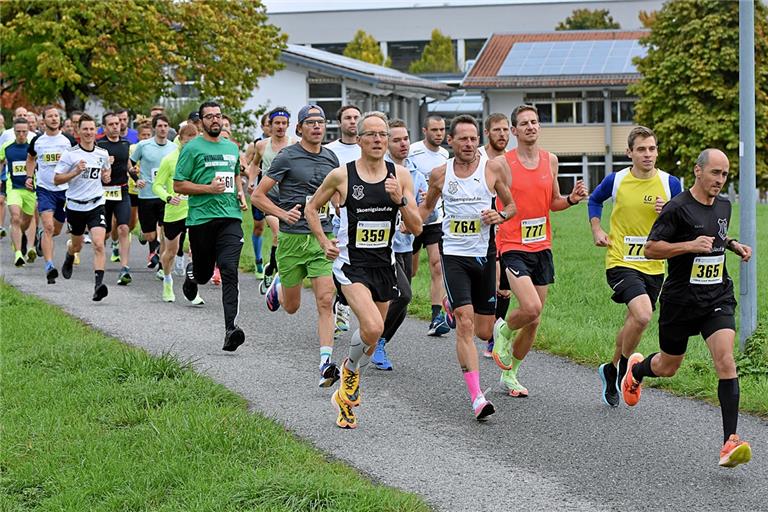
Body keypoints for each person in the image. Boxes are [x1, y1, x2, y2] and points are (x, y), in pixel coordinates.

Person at [622, 148, 753, 468]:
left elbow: (717, 236)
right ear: (698, 171)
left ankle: (729, 442)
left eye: (724, 174)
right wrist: (688, 246)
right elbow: (651, 248)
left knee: (726, 360)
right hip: (680, 301)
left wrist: (732, 245)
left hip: (716, 298)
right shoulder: (677, 208)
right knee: (669, 366)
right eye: (715, 173)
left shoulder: (723, 205)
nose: (720, 180)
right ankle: (636, 371)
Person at [305, 111, 422, 429]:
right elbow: (312, 208)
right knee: (371, 327)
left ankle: (345, 389)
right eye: (370, 134)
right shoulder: (341, 176)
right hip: (351, 266)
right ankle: (349, 370)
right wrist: (323, 241)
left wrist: (400, 200)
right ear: (358, 139)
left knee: (374, 336)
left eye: (382, 134)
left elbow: (416, 227)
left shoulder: (401, 176)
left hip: (384, 265)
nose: (377, 140)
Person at [419, 114, 516, 421]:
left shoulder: (492, 169)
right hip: (454, 255)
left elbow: (511, 206)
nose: (469, 144)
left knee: (485, 329)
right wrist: (406, 222)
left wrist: (499, 217)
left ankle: (450, 302)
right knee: (465, 324)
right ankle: (477, 397)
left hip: (485, 257)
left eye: (473, 138)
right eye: (463, 138)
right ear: (451, 141)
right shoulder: (439, 174)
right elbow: (426, 209)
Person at [492, 104, 587, 397]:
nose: (531, 126)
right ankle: (503, 331)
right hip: (512, 245)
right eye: (524, 123)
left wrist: (570, 199)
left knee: (534, 319)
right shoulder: (502, 164)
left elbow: (553, 203)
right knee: (530, 307)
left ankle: (511, 376)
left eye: (535, 122)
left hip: (541, 246)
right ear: (514, 131)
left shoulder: (551, 161)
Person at [588, 126, 682, 407]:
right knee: (642, 316)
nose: (648, 154)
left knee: (635, 320)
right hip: (620, 261)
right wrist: (596, 229)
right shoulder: (616, 180)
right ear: (629, 152)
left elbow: (685, 220)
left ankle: (611, 367)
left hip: (654, 266)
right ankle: (627, 368)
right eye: (641, 149)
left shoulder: (670, 184)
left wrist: (670, 210)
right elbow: (594, 199)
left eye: (652, 148)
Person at [252, 104, 341, 387]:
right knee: (291, 307)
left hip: (320, 238)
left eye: (321, 122)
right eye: (311, 122)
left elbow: (338, 196)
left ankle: (325, 362)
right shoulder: (287, 156)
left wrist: (341, 211)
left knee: (326, 300)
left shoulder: (331, 158)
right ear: (299, 128)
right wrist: (282, 213)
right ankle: (278, 286)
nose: (317, 126)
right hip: (292, 240)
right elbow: (258, 196)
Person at [174, 101, 248, 350]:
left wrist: (239, 192)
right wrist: (208, 189)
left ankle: (231, 329)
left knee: (229, 268)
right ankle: (192, 274)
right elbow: (179, 185)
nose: (215, 120)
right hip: (201, 219)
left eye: (218, 116)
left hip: (230, 217)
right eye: (209, 117)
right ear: (201, 122)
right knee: (204, 275)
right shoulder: (192, 148)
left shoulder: (231, 147)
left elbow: (236, 173)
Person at [370, 118, 428, 370]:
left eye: (406, 138)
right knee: (403, 295)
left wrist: (418, 212)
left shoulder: (415, 172)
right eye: (396, 139)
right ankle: (375, 340)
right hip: (383, 246)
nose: (403, 143)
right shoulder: (376, 171)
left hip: (406, 244)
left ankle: (377, 340)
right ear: (385, 143)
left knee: (400, 301)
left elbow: (426, 209)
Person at [53, 113, 112, 301]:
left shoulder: (102, 153)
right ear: (78, 131)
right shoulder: (70, 154)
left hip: (96, 204)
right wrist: (75, 171)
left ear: (96, 131)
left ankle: (98, 285)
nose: (88, 132)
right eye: (85, 129)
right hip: (75, 206)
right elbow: (57, 179)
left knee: (99, 243)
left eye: (91, 129)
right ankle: (70, 255)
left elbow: (105, 172)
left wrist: (106, 177)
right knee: (77, 245)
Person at [409, 115, 450, 336]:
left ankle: (437, 317)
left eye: (442, 130)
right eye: (434, 130)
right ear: (425, 130)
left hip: (435, 218)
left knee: (436, 264)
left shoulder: (445, 155)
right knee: (411, 270)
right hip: (414, 217)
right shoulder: (413, 151)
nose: (439, 134)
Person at [153, 123, 203, 304]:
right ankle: (167, 279)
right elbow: (156, 185)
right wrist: (167, 197)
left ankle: (192, 288)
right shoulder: (169, 159)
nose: (190, 146)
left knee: (195, 250)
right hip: (174, 212)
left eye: (193, 142)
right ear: (180, 140)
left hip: (196, 210)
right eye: (187, 142)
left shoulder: (200, 158)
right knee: (171, 252)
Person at [25, 105, 76, 284]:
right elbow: (30, 158)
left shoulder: (68, 140)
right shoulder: (38, 141)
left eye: (57, 116)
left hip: (65, 190)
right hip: (45, 189)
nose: (54, 119)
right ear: (43, 120)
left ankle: (41, 238)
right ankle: (49, 266)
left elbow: (79, 158)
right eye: (51, 116)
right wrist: (29, 176)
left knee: (56, 229)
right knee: (47, 226)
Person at [324, 105, 362, 337]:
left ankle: (345, 303)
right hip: (336, 215)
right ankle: (342, 304)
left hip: (364, 217)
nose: (352, 121)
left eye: (356, 117)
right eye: (348, 117)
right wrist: (336, 201)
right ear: (340, 123)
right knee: (339, 263)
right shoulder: (330, 151)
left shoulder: (366, 147)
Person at [246, 107, 295, 283]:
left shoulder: (294, 144)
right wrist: (252, 181)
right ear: (270, 125)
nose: (280, 126)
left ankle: (272, 267)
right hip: (269, 198)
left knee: (285, 238)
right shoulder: (261, 145)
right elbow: (253, 165)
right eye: (277, 123)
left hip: (290, 199)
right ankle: (280, 276)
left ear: (288, 125)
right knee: (278, 234)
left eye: (284, 123)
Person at [479, 113, 512, 358]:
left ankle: (494, 336)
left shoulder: (512, 160)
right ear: (487, 132)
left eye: (505, 130)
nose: (502, 134)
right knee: (488, 282)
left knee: (504, 288)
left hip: (509, 229)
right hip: (481, 230)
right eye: (497, 130)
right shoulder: (477, 158)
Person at [130, 113, 177, 274]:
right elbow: (130, 163)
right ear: (154, 128)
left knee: (165, 232)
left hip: (166, 196)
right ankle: (144, 236)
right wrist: (136, 179)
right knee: (150, 235)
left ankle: (162, 267)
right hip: (147, 195)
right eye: (160, 126)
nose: (163, 129)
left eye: (165, 126)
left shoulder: (173, 147)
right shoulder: (143, 145)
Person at [96, 112, 135, 284]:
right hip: (103, 193)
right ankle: (100, 265)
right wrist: (104, 168)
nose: (115, 127)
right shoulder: (99, 145)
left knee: (123, 228)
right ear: (104, 127)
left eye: (117, 123)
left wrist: (136, 176)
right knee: (103, 233)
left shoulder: (126, 144)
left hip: (122, 191)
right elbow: (91, 171)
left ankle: (125, 268)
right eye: (111, 124)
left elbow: (128, 166)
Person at [1, 118, 36, 266]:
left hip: (30, 189)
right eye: (18, 132)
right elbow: (1, 162)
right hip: (13, 187)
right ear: (13, 132)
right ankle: (18, 254)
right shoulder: (7, 146)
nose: (21, 134)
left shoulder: (33, 147)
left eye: (24, 132)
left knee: (26, 220)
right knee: (15, 217)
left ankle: (19, 236)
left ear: (28, 132)